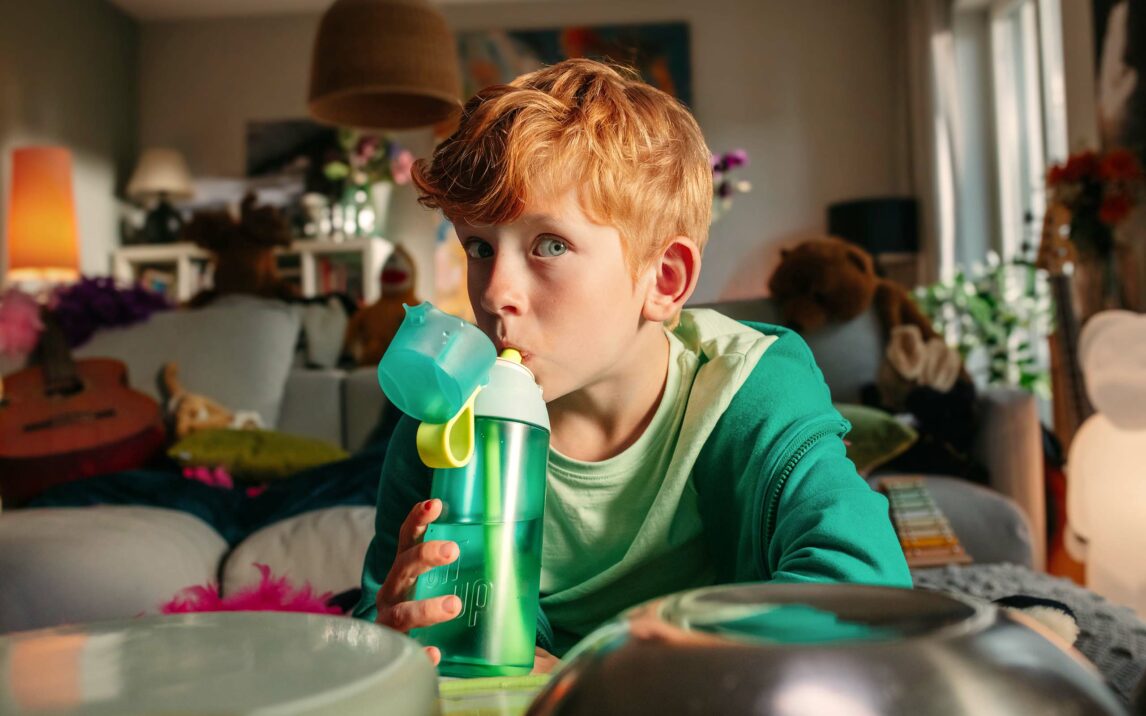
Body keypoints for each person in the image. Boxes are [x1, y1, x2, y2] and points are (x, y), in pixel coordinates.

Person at [353, 58, 911, 669]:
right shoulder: (447, 428)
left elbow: (865, 592)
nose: (494, 293)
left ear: (664, 280)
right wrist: (392, 625)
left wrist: (599, 678)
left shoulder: (752, 390)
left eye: (550, 245)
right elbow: (379, 623)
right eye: (480, 247)